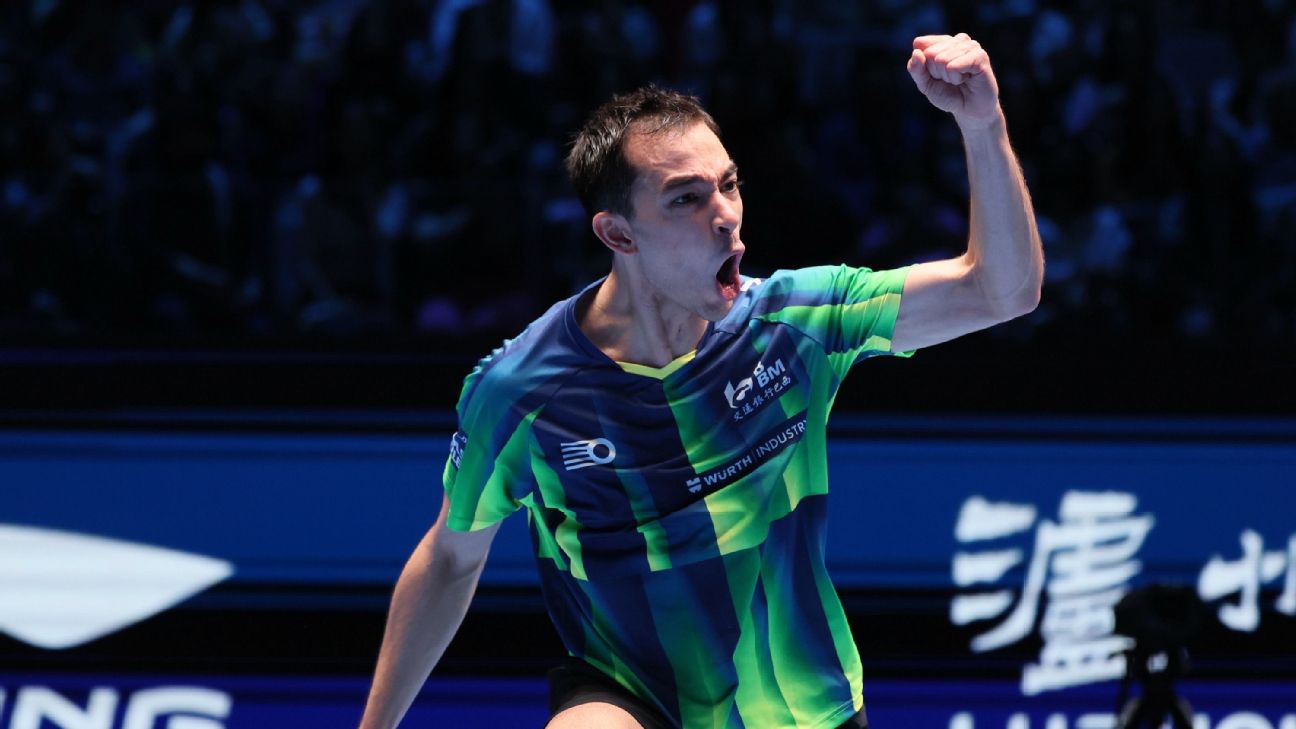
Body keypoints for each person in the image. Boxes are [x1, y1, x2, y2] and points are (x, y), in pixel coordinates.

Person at [359, 33, 1043, 729]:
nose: (725, 216)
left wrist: (982, 124)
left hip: (804, 711)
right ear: (618, 234)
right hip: (632, 697)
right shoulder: (523, 392)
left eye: (729, 184)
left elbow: (1002, 290)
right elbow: (450, 558)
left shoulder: (795, 323)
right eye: (685, 199)